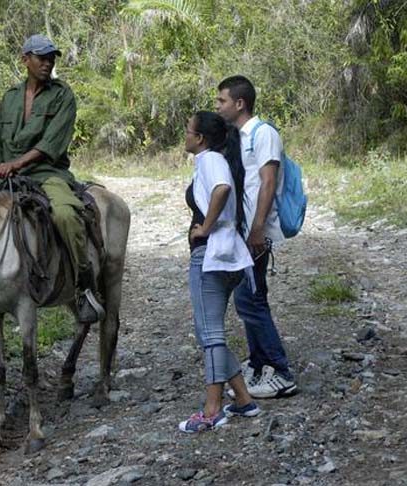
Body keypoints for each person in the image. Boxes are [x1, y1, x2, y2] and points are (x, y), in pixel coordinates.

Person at [0, 34, 104, 324]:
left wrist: (15, 164)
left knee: (65, 215)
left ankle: (84, 285)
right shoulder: (10, 97)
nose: (47, 63)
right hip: (7, 172)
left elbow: (53, 143)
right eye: (41, 57)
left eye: (51, 58)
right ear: (25, 59)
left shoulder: (62, 95)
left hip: (47, 173)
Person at [178, 111, 261, 433]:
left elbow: (222, 189)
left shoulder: (210, 159)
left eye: (188, 131)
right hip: (228, 256)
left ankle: (212, 411)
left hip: (212, 256)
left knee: (210, 335)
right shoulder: (214, 159)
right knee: (208, 332)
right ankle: (242, 399)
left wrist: (205, 228)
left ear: (200, 139)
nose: (184, 136)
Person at [216, 75, 297, 398]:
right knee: (249, 295)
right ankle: (260, 362)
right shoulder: (238, 135)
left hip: (255, 232)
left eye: (221, 101)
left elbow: (267, 182)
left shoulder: (264, 134)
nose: (217, 106)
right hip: (244, 230)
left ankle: (280, 372)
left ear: (239, 103)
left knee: (250, 299)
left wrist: (258, 229)